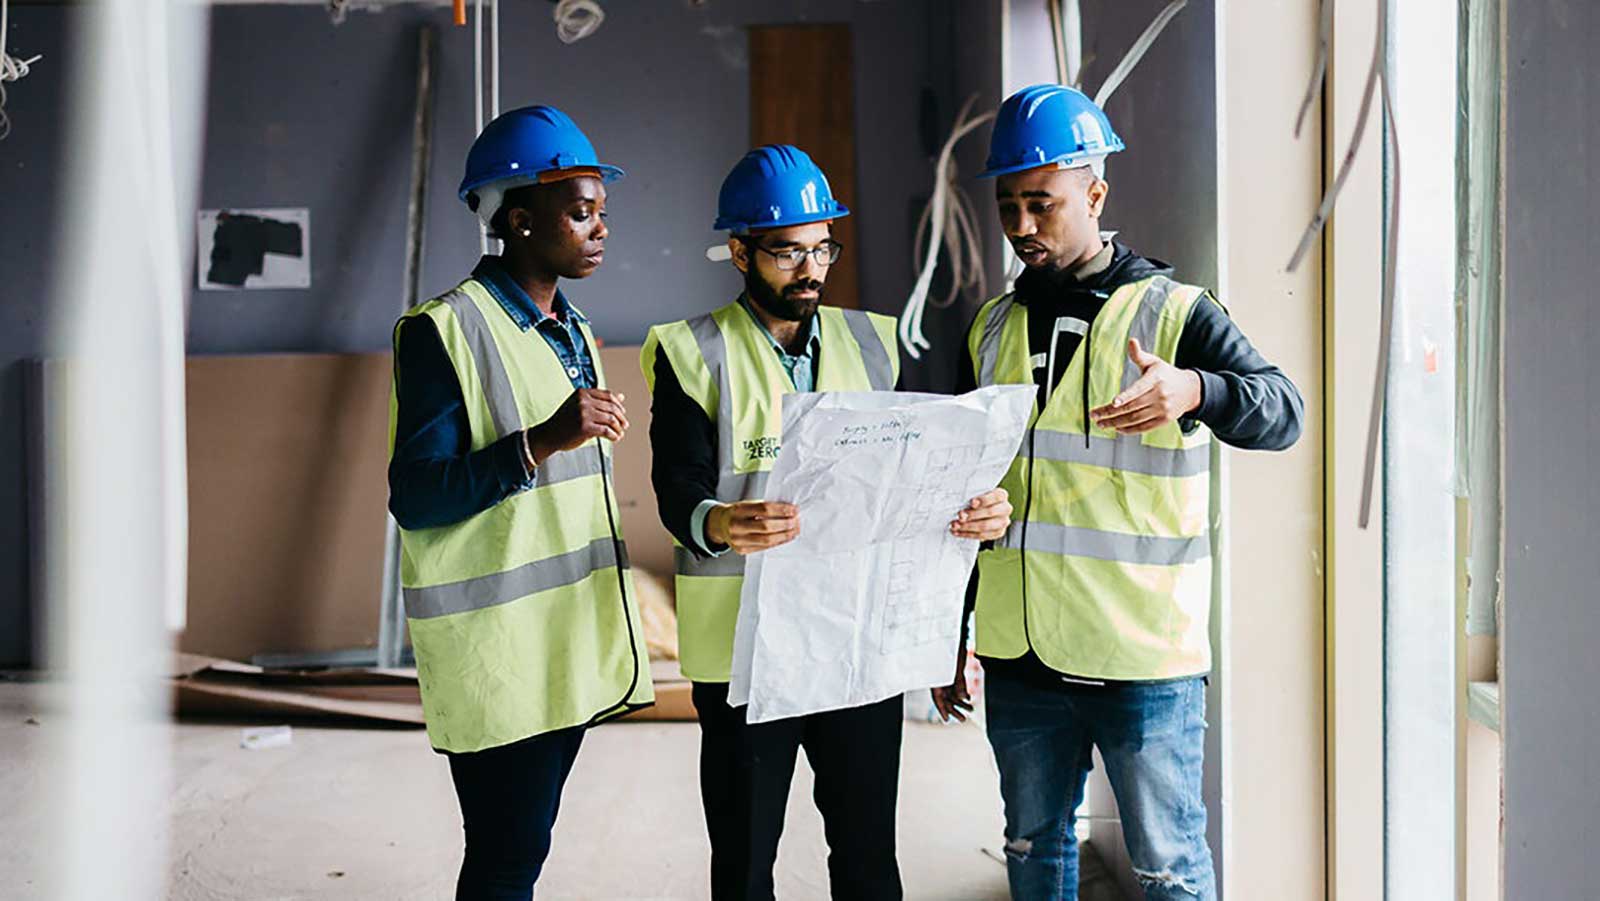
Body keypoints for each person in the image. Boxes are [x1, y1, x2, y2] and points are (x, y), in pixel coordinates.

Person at [932, 84, 1305, 901]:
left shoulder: (1175, 314)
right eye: (1007, 206)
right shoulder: (989, 329)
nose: (1022, 226)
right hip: (1021, 654)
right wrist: (945, 631)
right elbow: (955, 492)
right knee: (1033, 850)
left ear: (1095, 194)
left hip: (1143, 659)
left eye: (1043, 202)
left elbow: (1284, 412)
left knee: (1169, 867)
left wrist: (1197, 391)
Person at [641, 144, 1012, 901]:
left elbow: (917, 480)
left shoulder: (873, 344)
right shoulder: (692, 351)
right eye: (787, 251)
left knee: (869, 857)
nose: (810, 269)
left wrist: (970, 513)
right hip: (747, 651)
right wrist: (717, 520)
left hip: (856, 641)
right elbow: (674, 482)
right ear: (740, 251)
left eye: (822, 248)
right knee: (745, 863)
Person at [387, 104, 652, 900]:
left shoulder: (573, 328)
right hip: (496, 653)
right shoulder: (444, 332)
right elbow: (416, 494)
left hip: (563, 646)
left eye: (602, 211)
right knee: (505, 858)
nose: (600, 229)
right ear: (518, 221)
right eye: (580, 213)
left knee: (522, 849)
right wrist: (538, 441)